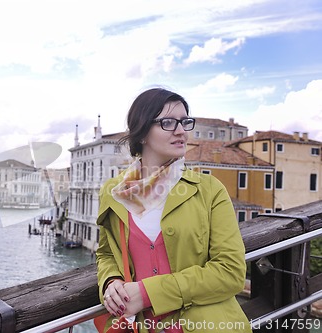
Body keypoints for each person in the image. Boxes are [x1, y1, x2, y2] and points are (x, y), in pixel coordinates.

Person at [95, 87, 251, 333]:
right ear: (143, 132)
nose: (181, 131)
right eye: (168, 122)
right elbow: (106, 253)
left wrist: (148, 294)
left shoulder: (209, 190)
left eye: (184, 122)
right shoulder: (114, 193)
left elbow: (231, 272)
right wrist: (111, 280)